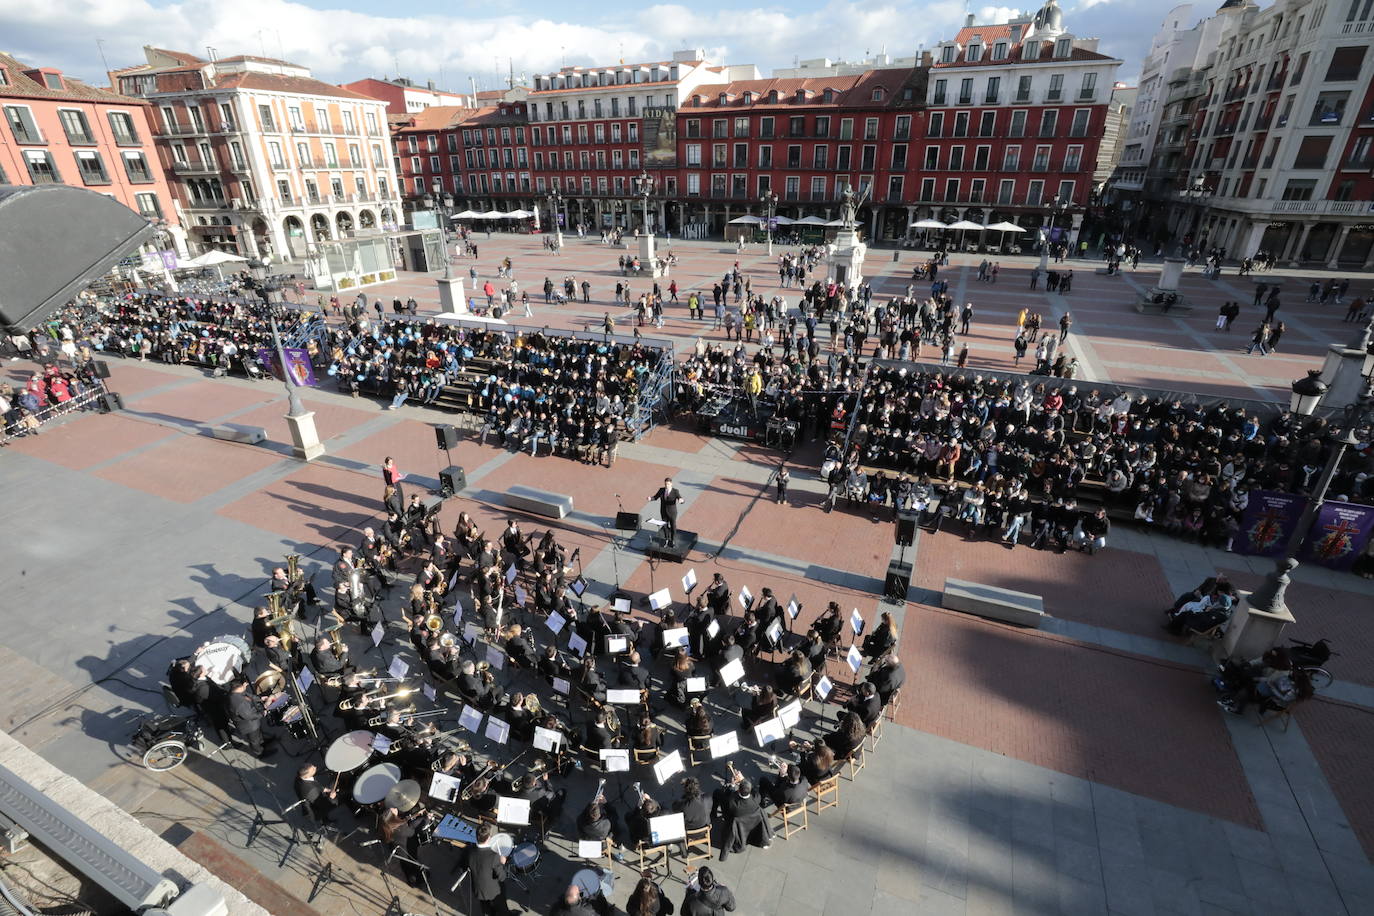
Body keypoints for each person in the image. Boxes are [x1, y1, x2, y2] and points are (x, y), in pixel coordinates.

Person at [716, 775, 771, 860]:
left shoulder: (732, 802)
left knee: (718, 793)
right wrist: (743, 780)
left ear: (738, 790)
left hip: (737, 823)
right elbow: (754, 791)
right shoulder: (756, 798)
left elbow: (728, 799)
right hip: (752, 823)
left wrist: (732, 785)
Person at [464, 822, 512, 915]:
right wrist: (502, 863)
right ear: (488, 838)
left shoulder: (469, 851)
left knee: (486, 909)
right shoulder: (493, 856)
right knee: (502, 909)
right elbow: (502, 877)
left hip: (479, 889)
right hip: (494, 891)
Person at [650, 477, 684, 547]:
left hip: (672, 512)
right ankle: (667, 539)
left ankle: (673, 540)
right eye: (665, 484)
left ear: (671, 484)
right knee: (665, 526)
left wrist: (681, 500)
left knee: (673, 526)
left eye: (668, 484)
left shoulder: (675, 491)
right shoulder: (661, 490)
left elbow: (680, 498)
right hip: (663, 512)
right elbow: (656, 497)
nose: (666, 486)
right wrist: (650, 498)